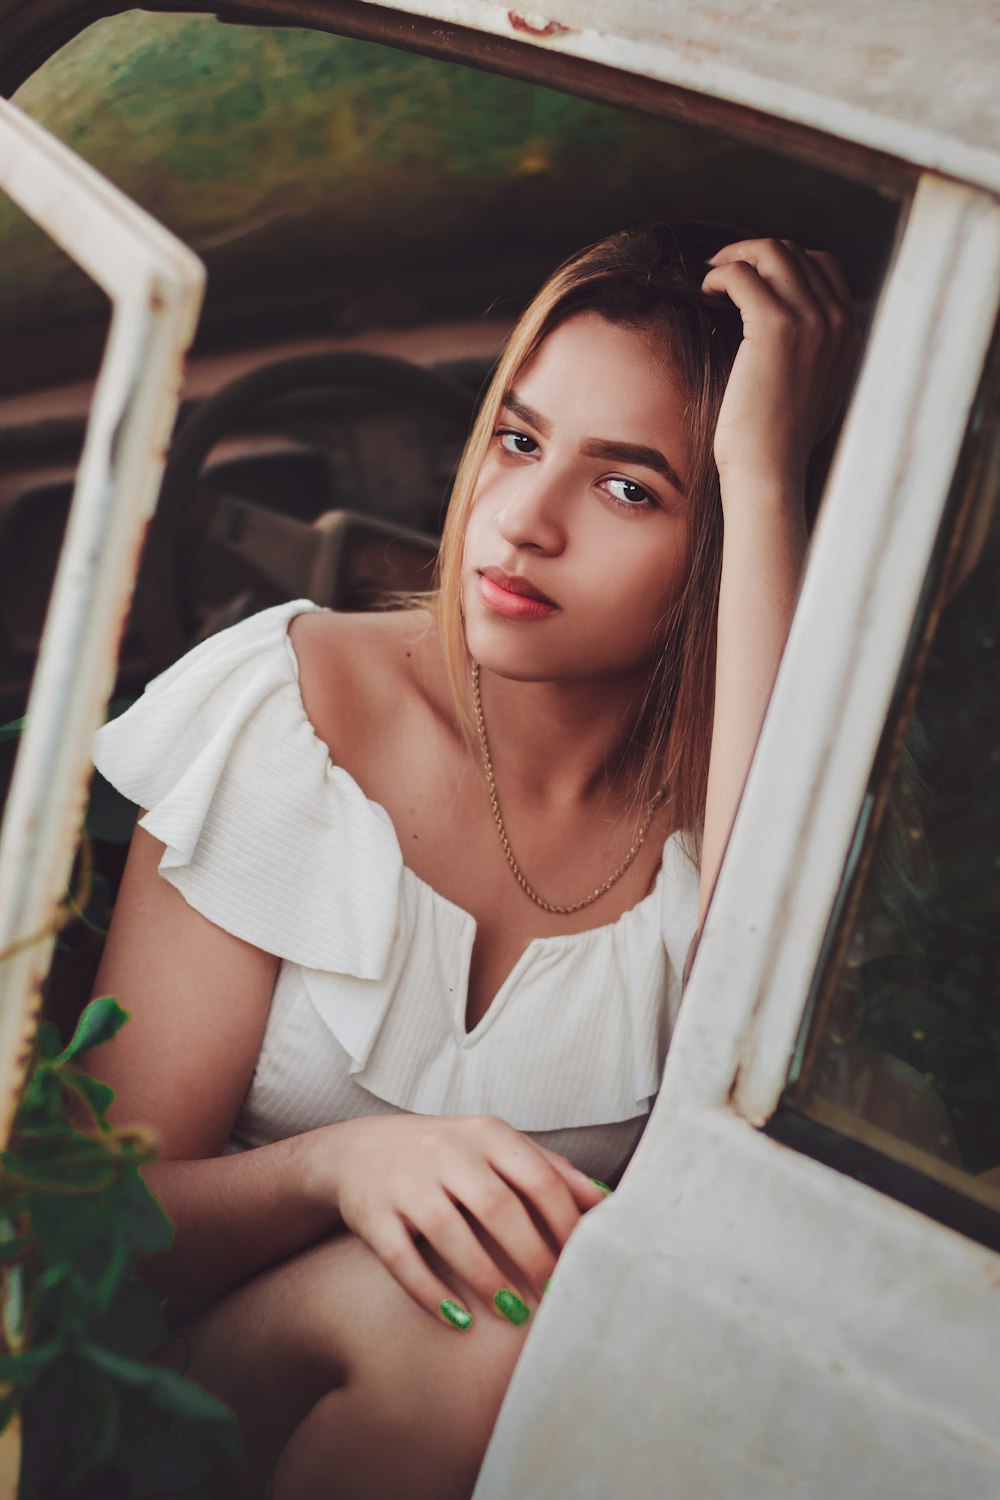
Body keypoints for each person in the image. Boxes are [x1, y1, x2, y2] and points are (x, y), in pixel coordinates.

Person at [87, 225, 859, 1499]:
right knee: (473, 1319)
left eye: (630, 489)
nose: (523, 521)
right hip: (161, 1398)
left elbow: (770, 1007)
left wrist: (764, 477)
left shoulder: (731, 817)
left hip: (538, 1442)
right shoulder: (290, 713)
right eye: (517, 439)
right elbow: (94, 1241)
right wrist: (341, 1167)